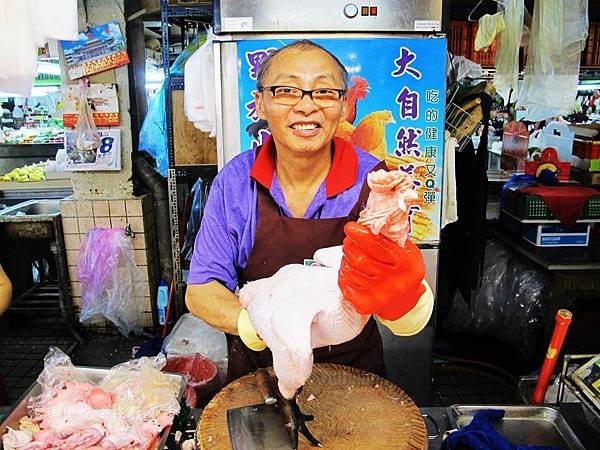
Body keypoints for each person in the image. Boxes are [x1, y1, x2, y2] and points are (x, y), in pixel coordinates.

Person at [186, 40, 433, 383]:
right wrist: (260, 324)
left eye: (324, 92)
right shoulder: (235, 182)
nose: (306, 107)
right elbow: (202, 288)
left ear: (345, 105)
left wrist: (402, 300)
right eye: (287, 90)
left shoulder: (374, 180)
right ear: (260, 103)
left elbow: (401, 301)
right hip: (261, 373)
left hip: (353, 373)